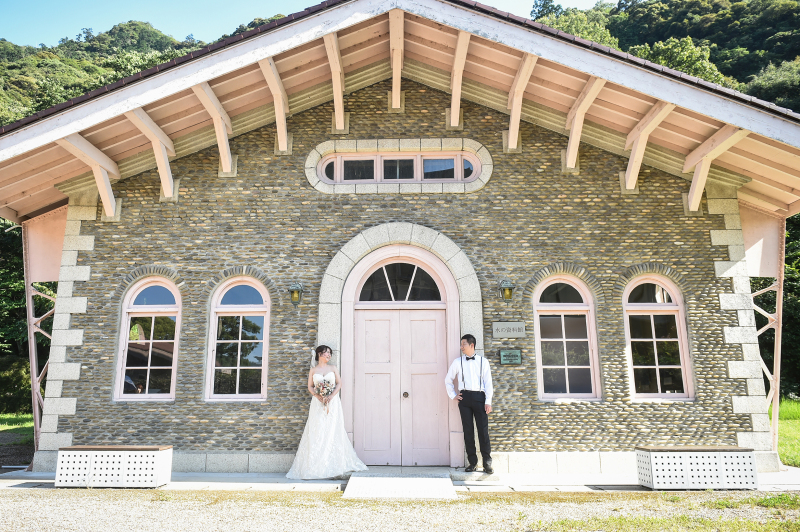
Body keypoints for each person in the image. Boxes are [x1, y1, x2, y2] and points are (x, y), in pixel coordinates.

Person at [286, 345, 368, 479]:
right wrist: (318, 396)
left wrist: (330, 396)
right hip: (317, 403)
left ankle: (333, 463)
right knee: (317, 429)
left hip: (333, 403)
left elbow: (339, 384)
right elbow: (310, 386)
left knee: (332, 429)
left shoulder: (333, 368)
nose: (329, 355)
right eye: (326, 353)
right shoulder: (313, 370)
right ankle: (315, 464)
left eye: (330, 353)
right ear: (319, 354)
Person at [444, 334, 494, 474]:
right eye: (461, 344)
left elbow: (488, 383)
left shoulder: (484, 362)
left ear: (471, 345)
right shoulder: (457, 362)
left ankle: (487, 462)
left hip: (480, 397)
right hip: (464, 398)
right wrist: (453, 395)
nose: (461, 347)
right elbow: (448, 380)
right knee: (468, 431)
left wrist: (488, 401)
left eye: (463, 344)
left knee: (483, 431)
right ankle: (472, 462)